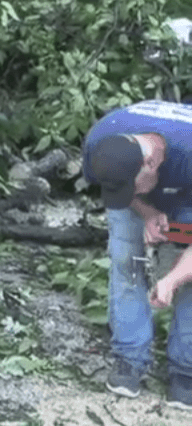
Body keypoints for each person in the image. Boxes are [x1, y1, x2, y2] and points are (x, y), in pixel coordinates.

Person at [83, 99, 192, 409]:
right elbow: (118, 191)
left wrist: (171, 279)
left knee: (187, 276)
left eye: (130, 188)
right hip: (154, 188)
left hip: (189, 190)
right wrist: (145, 211)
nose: (124, 194)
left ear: (150, 163)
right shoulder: (100, 144)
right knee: (126, 261)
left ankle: (186, 370)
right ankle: (129, 359)